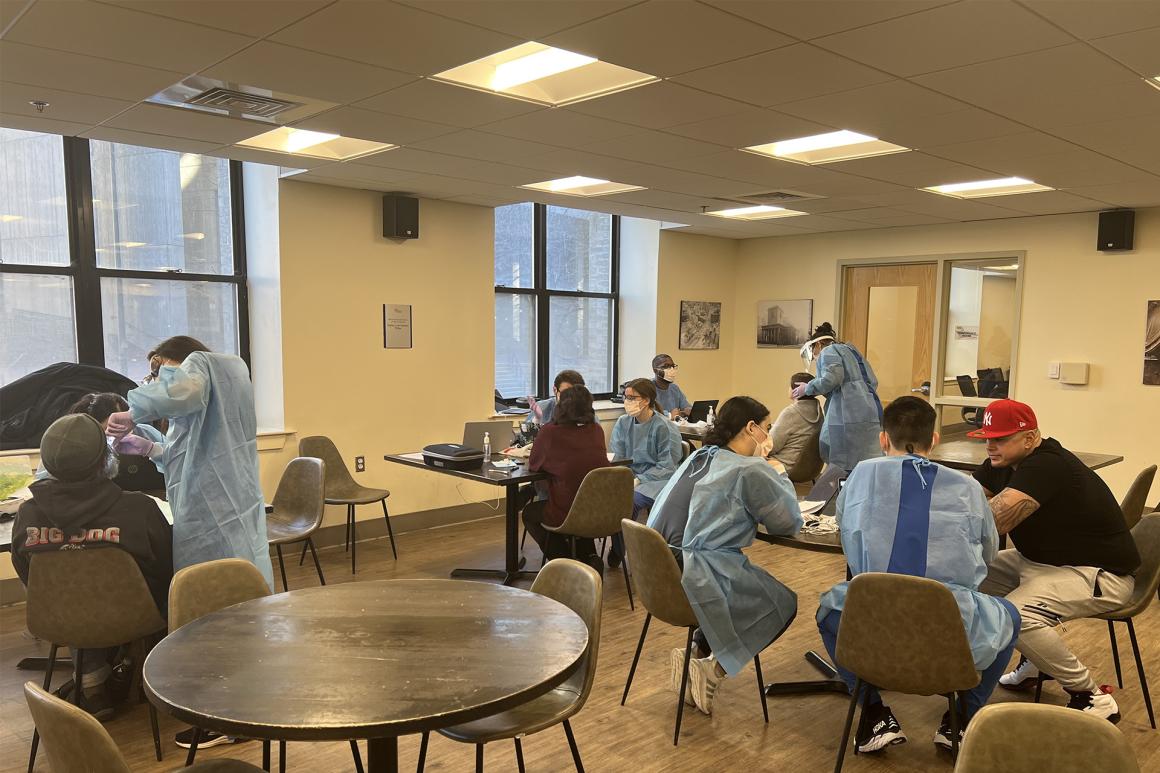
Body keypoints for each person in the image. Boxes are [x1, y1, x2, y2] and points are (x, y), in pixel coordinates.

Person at [816, 397, 1019, 753]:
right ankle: (960, 720)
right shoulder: (969, 488)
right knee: (1010, 618)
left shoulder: (859, 476)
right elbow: (987, 556)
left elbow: (848, 537)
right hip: (947, 625)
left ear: (883, 439)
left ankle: (874, 712)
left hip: (874, 615)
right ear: (935, 439)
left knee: (828, 612)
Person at [970, 399, 1139, 723]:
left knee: (1017, 615)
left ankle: (1090, 695)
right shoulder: (1002, 461)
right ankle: (1035, 660)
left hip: (1098, 574)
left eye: (1001, 438)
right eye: (988, 438)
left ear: (1031, 438)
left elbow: (994, 520)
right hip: (1038, 562)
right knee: (964, 577)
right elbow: (970, 498)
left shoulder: (1047, 464)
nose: (991, 446)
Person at [646, 396, 802, 715]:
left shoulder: (700, 455)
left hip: (657, 570)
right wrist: (779, 471)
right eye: (767, 428)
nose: (769, 435)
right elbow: (786, 523)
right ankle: (713, 669)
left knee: (743, 584)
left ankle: (694, 653)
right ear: (751, 427)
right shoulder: (749, 470)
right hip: (695, 571)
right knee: (781, 602)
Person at [12, 414, 173, 719]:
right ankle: (125, 670)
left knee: (70, 594)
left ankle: (91, 683)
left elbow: (28, 576)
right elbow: (165, 569)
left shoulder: (27, 515)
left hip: (59, 620)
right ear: (106, 460)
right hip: (135, 618)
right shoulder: (139, 508)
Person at [106, 336, 274, 590]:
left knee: (220, 580)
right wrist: (152, 449)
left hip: (212, 506)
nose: (162, 381)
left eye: (164, 373)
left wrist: (133, 413)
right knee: (237, 572)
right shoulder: (206, 402)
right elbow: (192, 455)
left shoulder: (201, 367)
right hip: (226, 497)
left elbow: (183, 392)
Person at [523, 385, 610, 570]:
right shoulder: (596, 430)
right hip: (599, 508)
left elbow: (534, 464)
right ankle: (588, 557)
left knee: (531, 513)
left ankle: (565, 563)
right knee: (577, 511)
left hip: (566, 509)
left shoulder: (550, 432)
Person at [794, 322, 883, 472]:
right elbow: (872, 380)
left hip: (846, 413)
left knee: (840, 460)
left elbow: (831, 379)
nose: (815, 356)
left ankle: (842, 493)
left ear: (819, 344)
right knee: (867, 459)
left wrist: (807, 388)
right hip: (870, 408)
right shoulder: (851, 351)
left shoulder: (828, 351)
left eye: (813, 350)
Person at [33, 393, 165, 489]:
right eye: (110, 429)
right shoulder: (70, 441)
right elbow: (45, 482)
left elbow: (179, 463)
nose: (120, 436)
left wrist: (153, 450)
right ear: (90, 426)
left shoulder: (145, 433)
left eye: (125, 428)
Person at [610, 378, 682, 521]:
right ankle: (619, 543)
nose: (627, 401)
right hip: (630, 477)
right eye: (626, 397)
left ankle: (628, 541)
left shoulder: (664, 427)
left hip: (659, 480)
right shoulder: (623, 423)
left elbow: (667, 466)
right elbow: (618, 458)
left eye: (632, 398)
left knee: (629, 501)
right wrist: (625, 478)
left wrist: (639, 480)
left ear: (646, 400)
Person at [770, 371, 824, 482]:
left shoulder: (790, 412)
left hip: (787, 466)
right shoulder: (819, 412)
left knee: (750, 461)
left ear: (795, 391)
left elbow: (771, 446)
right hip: (812, 469)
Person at [651, 354, 691, 419]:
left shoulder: (674, 388)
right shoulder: (648, 388)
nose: (671, 369)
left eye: (672, 366)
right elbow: (648, 414)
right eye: (666, 366)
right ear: (655, 370)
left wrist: (688, 410)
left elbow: (686, 407)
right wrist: (669, 415)